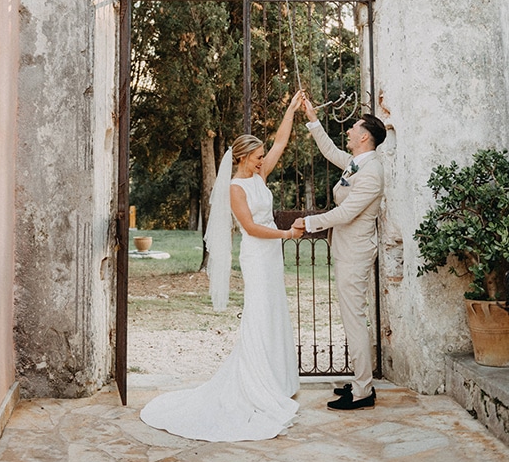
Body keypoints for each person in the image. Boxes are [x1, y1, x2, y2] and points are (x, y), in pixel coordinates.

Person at [140, 92, 305, 441]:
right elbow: (250, 227)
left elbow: (281, 141)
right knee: (258, 313)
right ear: (244, 157)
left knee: (274, 311)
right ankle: (255, 383)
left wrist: (290, 110)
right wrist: (287, 233)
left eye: (263, 157)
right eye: (259, 157)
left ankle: (278, 379)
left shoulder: (260, 175)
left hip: (271, 256)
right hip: (257, 255)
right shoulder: (235, 186)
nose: (264, 160)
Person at [293, 98, 386, 411]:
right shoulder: (357, 162)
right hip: (347, 249)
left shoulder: (372, 172)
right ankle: (361, 382)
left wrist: (309, 223)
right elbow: (331, 151)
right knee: (352, 318)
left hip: (356, 252)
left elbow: (346, 213)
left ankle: (363, 392)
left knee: (355, 320)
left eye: (353, 129)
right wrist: (311, 118)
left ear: (364, 137)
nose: (348, 131)